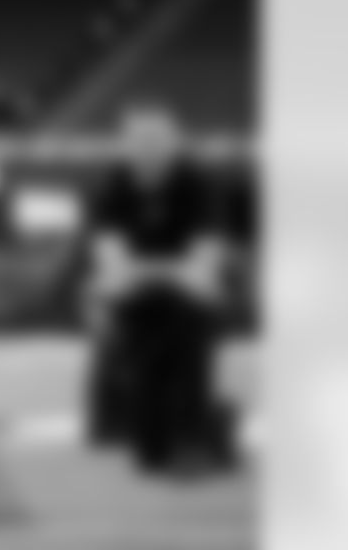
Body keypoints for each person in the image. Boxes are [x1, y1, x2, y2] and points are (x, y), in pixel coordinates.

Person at [83, 104, 237, 475]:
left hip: (191, 291)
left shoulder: (199, 185)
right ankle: (128, 427)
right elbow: (111, 264)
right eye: (138, 141)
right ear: (124, 146)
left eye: (157, 140)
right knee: (125, 325)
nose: (148, 150)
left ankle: (194, 433)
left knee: (191, 317)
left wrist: (152, 272)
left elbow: (205, 262)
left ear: (175, 144)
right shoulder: (110, 189)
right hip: (141, 291)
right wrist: (157, 273)